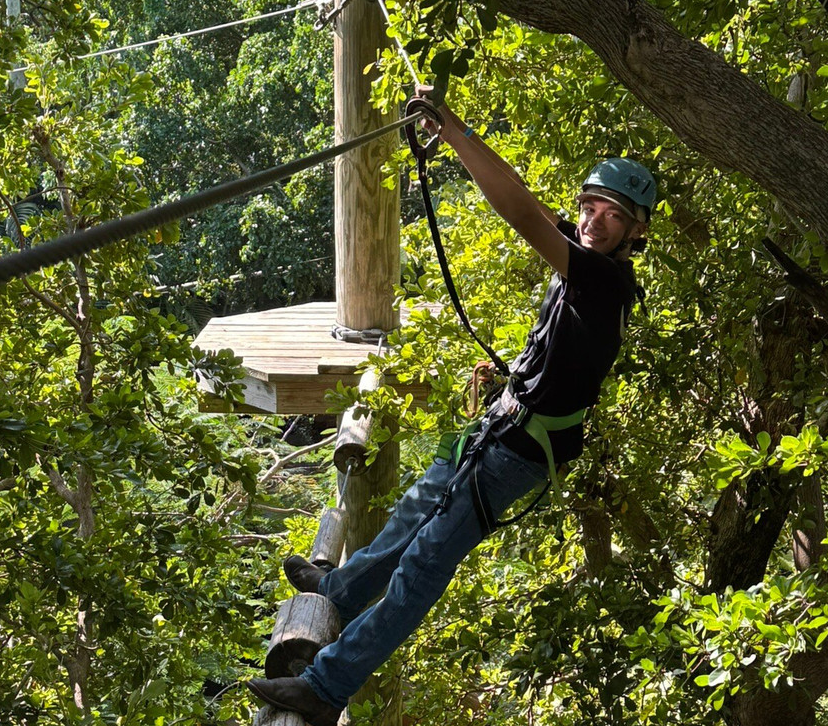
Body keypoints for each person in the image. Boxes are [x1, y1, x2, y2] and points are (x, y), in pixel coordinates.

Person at [247, 95, 657, 725]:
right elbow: (525, 195)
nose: (594, 220)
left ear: (636, 232)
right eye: (589, 206)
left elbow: (520, 214)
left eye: (614, 214)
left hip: (518, 452)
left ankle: (326, 688)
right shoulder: (586, 251)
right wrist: (512, 378)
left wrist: (454, 131)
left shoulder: (605, 281)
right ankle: (340, 589)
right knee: (412, 511)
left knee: (422, 567)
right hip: (503, 423)